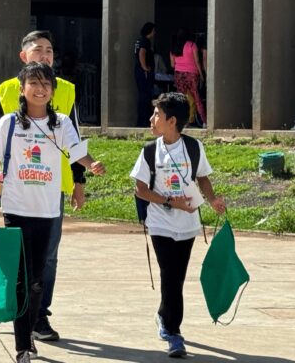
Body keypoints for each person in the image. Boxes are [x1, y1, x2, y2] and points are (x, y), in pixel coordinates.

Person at [0, 62, 106, 363]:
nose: (40, 88)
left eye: (46, 84)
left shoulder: (61, 123)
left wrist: (92, 165)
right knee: (23, 278)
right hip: (16, 209)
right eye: (33, 83)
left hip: (47, 211)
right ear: (22, 89)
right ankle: (23, 346)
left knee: (36, 281)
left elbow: (77, 152)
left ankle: (28, 331)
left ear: (52, 91)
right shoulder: (9, 123)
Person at [130, 92, 226, 359]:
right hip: (160, 223)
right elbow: (140, 189)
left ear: (172, 121)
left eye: (157, 115)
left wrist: (213, 200)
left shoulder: (193, 148)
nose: (152, 119)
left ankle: (164, 315)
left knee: (177, 278)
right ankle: (174, 333)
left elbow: (203, 178)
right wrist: (170, 202)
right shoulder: (150, 151)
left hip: (188, 225)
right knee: (169, 275)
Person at [169, 29, 206, 128]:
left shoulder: (173, 47)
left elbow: (172, 64)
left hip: (179, 74)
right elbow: (197, 61)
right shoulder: (192, 45)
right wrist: (201, 75)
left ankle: (180, 121)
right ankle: (204, 121)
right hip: (192, 74)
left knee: (181, 99)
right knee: (197, 98)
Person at [134, 22, 157, 127]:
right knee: (145, 97)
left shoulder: (139, 40)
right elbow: (142, 54)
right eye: (153, 30)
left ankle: (142, 120)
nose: (154, 32)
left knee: (144, 96)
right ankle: (143, 121)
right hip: (144, 73)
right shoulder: (145, 42)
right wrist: (145, 68)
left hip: (139, 72)